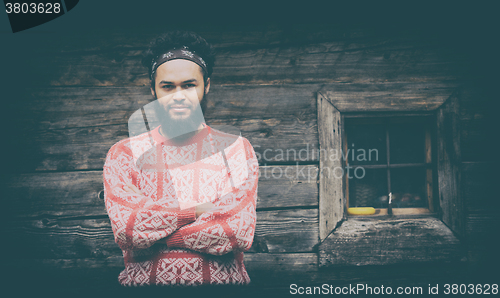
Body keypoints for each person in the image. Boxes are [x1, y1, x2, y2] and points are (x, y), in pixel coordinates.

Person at [102, 31, 259, 287]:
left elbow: (234, 231)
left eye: (189, 85)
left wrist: (156, 231)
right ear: (153, 89)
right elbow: (128, 229)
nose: (178, 95)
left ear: (206, 85)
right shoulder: (125, 154)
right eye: (168, 86)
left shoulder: (237, 150)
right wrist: (195, 211)